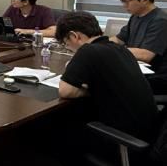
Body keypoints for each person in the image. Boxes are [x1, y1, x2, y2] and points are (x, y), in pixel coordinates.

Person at [57, 11, 158, 141]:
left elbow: (65, 91)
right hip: (150, 131)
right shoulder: (120, 49)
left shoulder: (87, 50)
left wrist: (93, 89)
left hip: (125, 136)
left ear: (74, 36)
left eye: (66, 44)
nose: (69, 49)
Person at [110, 0, 167, 90]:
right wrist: (98, 45)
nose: (124, 5)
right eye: (122, 0)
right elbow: (118, 39)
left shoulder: (160, 21)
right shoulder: (136, 16)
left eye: (127, 1)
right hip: (137, 71)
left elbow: (146, 55)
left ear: (144, 0)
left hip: (156, 78)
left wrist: (112, 50)